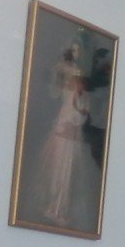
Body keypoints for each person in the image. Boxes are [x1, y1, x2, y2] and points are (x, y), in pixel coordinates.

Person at [31, 40, 92, 223]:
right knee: (58, 159)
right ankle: (53, 204)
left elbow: (80, 104)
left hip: (71, 118)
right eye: (73, 50)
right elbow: (55, 93)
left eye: (78, 50)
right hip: (65, 116)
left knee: (67, 161)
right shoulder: (62, 70)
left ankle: (59, 206)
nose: (76, 53)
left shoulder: (77, 77)